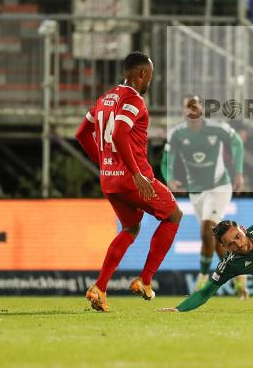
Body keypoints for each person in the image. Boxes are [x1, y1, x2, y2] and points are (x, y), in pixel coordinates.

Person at [74, 51, 183, 312]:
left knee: (130, 228)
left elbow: (81, 133)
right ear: (142, 73)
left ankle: (99, 288)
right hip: (134, 178)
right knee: (174, 215)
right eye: (150, 76)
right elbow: (121, 133)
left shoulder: (104, 98)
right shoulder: (134, 100)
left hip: (109, 180)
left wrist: (103, 163)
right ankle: (145, 281)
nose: (150, 82)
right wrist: (135, 173)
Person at [162, 95, 248, 297]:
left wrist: (238, 172)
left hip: (218, 187)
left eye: (196, 104)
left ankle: (202, 280)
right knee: (215, 240)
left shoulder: (216, 128)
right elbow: (167, 159)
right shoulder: (176, 134)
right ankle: (238, 276)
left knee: (206, 228)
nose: (193, 109)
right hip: (196, 192)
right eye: (188, 106)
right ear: (184, 111)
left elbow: (236, 143)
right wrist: (170, 179)